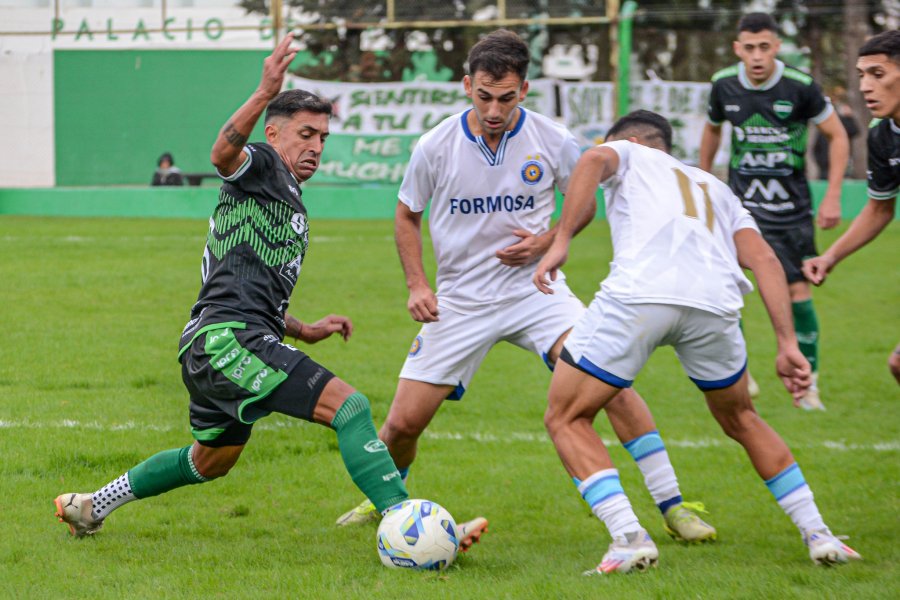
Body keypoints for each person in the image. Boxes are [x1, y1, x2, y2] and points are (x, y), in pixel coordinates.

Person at [52, 34, 492, 549]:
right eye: (306, 134)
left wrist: (304, 328)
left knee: (211, 459)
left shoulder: (287, 195)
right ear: (274, 131)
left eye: (324, 137)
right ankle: (411, 528)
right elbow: (222, 153)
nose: (316, 147)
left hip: (217, 340)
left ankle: (90, 506)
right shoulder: (260, 163)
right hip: (226, 340)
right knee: (348, 408)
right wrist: (264, 90)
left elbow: (244, 283)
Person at [335, 29, 717, 545]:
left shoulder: (552, 139)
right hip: (461, 301)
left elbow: (581, 201)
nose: (494, 109)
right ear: (467, 85)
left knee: (612, 385)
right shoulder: (436, 145)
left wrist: (548, 240)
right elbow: (407, 215)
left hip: (537, 293)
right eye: (484, 96)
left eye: (507, 97)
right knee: (403, 424)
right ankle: (384, 501)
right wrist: (417, 284)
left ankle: (673, 506)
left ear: (525, 89)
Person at [534, 109, 861, 574]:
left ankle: (629, 538)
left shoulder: (629, 152)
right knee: (742, 417)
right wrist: (787, 344)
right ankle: (819, 533)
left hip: (641, 297)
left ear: (636, 143)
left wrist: (561, 239)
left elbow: (591, 161)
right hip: (715, 306)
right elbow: (766, 261)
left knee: (566, 416)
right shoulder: (718, 188)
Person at [699, 12, 850, 411]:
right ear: (737, 49)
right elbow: (712, 129)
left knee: (797, 290)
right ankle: (740, 372)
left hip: (791, 209)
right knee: (728, 288)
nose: (757, 56)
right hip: (739, 206)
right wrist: (702, 182)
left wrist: (833, 194)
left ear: (776, 47)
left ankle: (808, 385)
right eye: (749, 48)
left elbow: (837, 135)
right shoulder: (723, 85)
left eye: (764, 47)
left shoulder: (801, 86)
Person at [803, 30, 900, 385]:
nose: (865, 86)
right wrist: (829, 258)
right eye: (862, 75)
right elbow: (879, 209)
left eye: (877, 74)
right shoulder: (881, 135)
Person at [813, 88, 860, 180]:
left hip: (842, 168)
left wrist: (849, 117)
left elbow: (854, 131)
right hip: (825, 170)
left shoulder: (843, 121)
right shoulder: (821, 129)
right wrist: (822, 163)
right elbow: (815, 148)